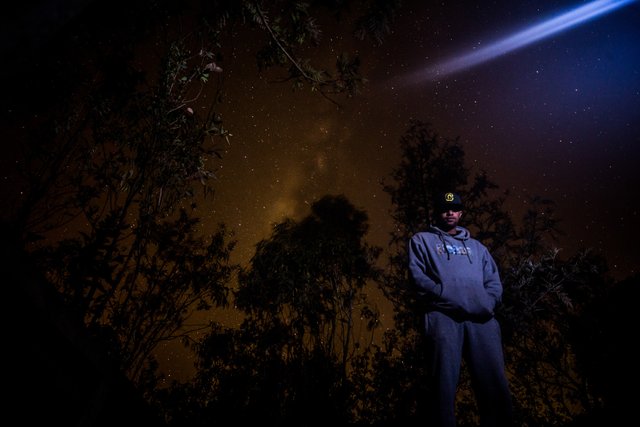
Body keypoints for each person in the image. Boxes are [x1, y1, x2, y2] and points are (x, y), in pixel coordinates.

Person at [408, 191, 513, 427]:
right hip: (443, 317)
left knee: (494, 384)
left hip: (482, 320)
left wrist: (487, 303)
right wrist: (444, 295)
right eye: (445, 208)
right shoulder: (421, 240)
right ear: (438, 211)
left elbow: (494, 282)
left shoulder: (478, 248)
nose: (450, 213)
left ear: (461, 213)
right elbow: (418, 279)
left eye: (454, 209)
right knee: (441, 386)